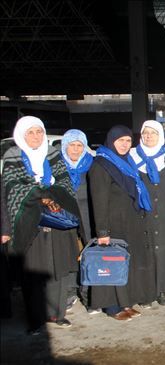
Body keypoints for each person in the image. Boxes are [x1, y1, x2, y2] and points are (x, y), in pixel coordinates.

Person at [1, 116, 80, 333]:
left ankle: (57, 314)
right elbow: (13, 187)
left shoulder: (53, 154)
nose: (36, 137)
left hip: (57, 224)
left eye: (39, 132)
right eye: (31, 133)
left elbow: (65, 181)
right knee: (34, 274)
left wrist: (54, 197)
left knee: (59, 269)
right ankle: (35, 320)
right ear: (21, 135)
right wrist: (41, 196)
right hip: (31, 226)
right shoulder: (13, 156)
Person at [89, 125, 156, 320]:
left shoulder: (127, 162)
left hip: (130, 223)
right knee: (111, 264)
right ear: (111, 141)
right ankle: (111, 306)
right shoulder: (101, 165)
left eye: (128, 141)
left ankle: (125, 302)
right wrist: (103, 231)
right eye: (121, 141)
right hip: (113, 225)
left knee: (126, 265)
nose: (125, 144)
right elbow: (99, 201)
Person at [129, 120, 165, 306]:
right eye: (145, 133)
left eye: (153, 133)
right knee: (143, 252)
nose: (148, 136)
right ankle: (145, 293)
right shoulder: (131, 157)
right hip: (141, 212)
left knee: (164, 252)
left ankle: (162, 291)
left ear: (160, 135)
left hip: (164, 213)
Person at [60, 129, 95, 312]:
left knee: (88, 251)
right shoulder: (57, 165)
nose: (75, 149)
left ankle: (88, 292)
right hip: (65, 215)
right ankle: (69, 292)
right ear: (65, 146)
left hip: (87, 214)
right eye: (72, 145)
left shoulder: (91, 164)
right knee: (67, 252)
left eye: (79, 145)